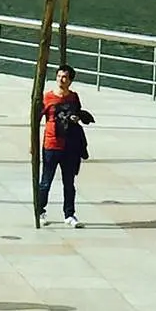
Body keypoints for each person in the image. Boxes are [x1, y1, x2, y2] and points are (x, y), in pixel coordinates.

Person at [37, 64, 94, 228]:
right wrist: (32, 144)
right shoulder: (47, 97)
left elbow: (78, 112)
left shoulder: (74, 97)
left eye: (65, 77)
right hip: (51, 144)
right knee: (45, 181)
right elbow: (37, 118)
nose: (61, 80)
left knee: (69, 183)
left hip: (69, 146)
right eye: (59, 76)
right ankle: (40, 210)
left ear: (70, 80)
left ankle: (69, 214)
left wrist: (77, 118)